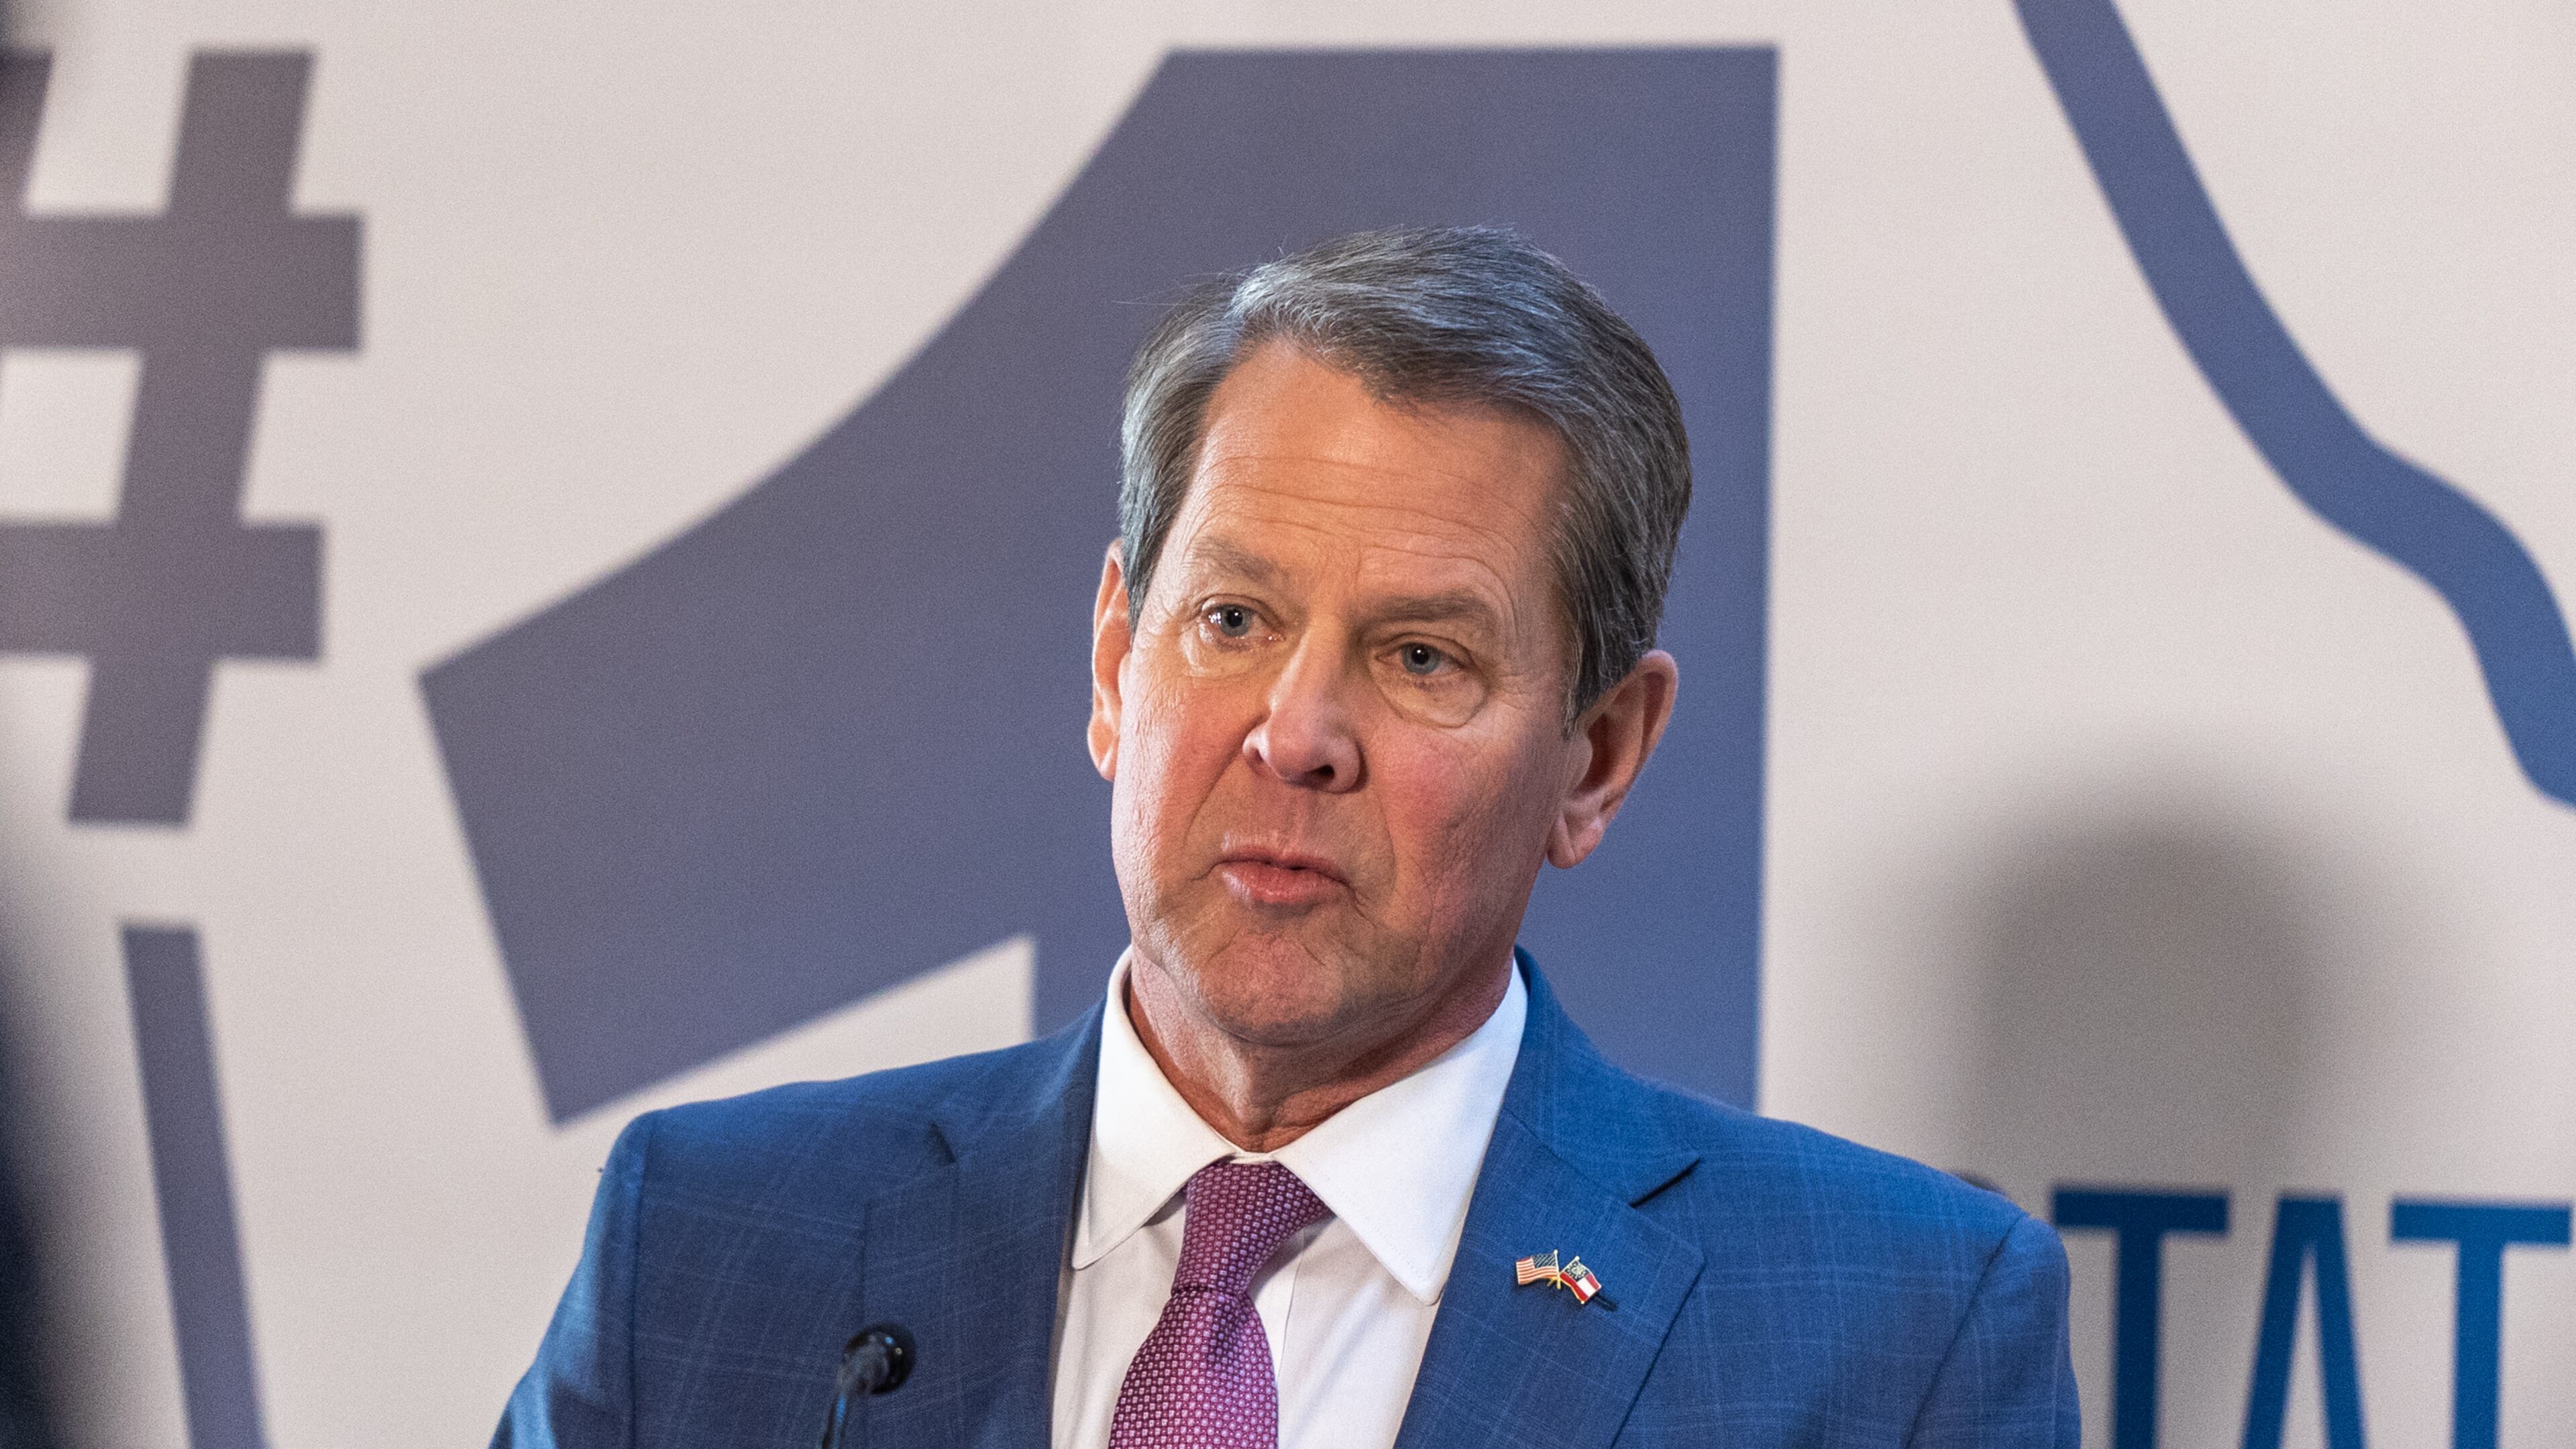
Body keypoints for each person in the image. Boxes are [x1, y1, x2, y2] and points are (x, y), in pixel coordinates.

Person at [493, 227, 2078, 1448]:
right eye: (1234, 617)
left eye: (1422, 658)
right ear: (1119, 660)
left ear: (1596, 758)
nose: (1296, 732)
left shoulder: (1893, 1334)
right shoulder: (711, 1245)